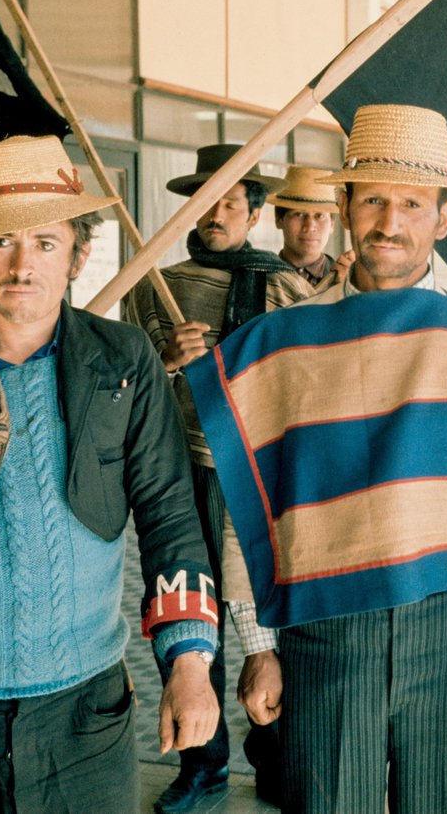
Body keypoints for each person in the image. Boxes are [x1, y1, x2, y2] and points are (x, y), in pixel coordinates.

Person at [218, 104, 447, 814]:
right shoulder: (282, 342)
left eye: (411, 202)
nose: (390, 221)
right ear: (343, 207)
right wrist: (257, 645)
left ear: (444, 218)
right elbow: (248, 505)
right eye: (372, 198)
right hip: (322, 638)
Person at [0, 135, 220, 814]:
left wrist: (190, 662)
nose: (23, 265)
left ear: (79, 254)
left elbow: (169, 510)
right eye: (3, 243)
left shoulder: (123, 358)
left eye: (46, 243)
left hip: (87, 708)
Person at [125, 144, 312, 813]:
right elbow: (128, 382)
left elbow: (308, 381)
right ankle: (201, 767)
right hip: (182, 473)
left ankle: (276, 754)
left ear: (255, 212)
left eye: (232, 200)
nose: (217, 213)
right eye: (206, 200)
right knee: (183, 607)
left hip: (264, 475)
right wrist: (166, 361)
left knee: (268, 615)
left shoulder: (289, 288)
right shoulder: (157, 283)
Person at [269, 164, 345, 287]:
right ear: (279, 219)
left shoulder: (344, 281)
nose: (309, 226)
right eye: (299, 214)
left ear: (332, 224)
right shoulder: (260, 279)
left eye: (319, 216)